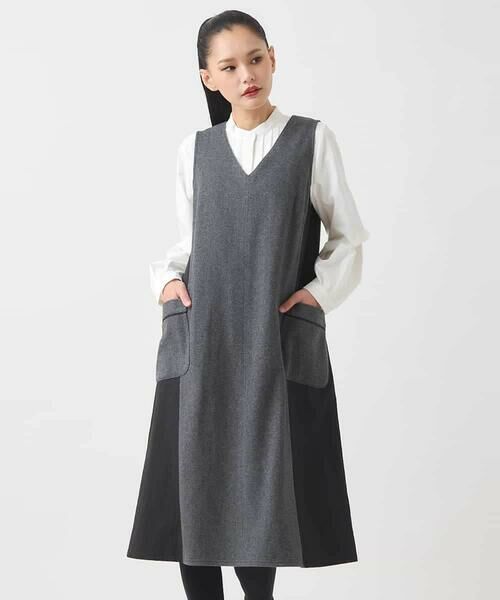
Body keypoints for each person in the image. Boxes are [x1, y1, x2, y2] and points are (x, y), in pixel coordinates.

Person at [126, 10, 370, 600]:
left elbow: (348, 239)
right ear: (208, 78)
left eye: (255, 59)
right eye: (229, 66)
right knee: (195, 494)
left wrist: (316, 294)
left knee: (263, 501)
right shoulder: (195, 150)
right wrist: (166, 284)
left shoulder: (311, 140)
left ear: (273, 58)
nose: (246, 76)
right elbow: (187, 243)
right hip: (203, 345)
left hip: (271, 345)